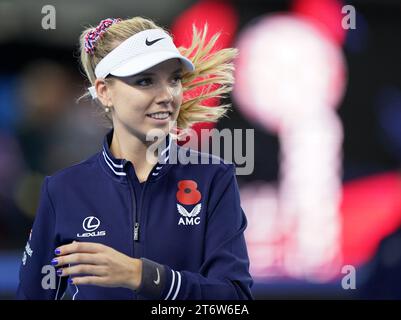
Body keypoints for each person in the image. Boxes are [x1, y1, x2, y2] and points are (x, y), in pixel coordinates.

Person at [16, 16, 253, 300]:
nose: (167, 95)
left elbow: (235, 301)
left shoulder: (213, 178)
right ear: (105, 92)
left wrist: (140, 275)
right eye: (145, 81)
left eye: (174, 79)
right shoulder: (63, 190)